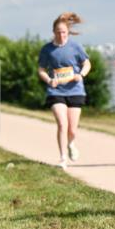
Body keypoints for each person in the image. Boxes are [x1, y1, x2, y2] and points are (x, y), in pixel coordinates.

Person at [37, 12, 91, 169]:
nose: (61, 35)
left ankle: (71, 143)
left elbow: (87, 64)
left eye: (64, 32)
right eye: (58, 32)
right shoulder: (47, 49)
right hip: (56, 92)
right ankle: (62, 158)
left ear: (68, 32)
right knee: (62, 124)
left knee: (72, 129)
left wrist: (81, 75)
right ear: (53, 32)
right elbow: (41, 69)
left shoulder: (76, 47)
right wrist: (49, 79)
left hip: (75, 90)